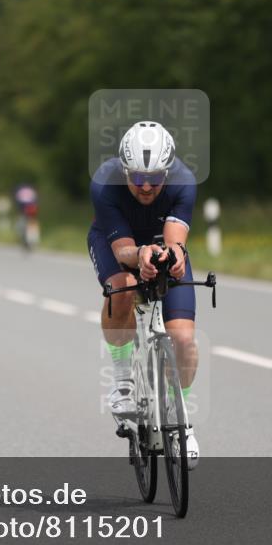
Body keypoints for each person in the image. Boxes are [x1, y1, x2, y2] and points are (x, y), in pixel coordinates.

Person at [87, 121, 200, 468]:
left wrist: (175, 256)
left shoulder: (183, 181)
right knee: (121, 288)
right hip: (115, 244)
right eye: (137, 177)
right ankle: (122, 381)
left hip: (159, 243)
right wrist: (140, 257)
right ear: (124, 171)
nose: (147, 186)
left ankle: (183, 420)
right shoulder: (105, 183)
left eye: (155, 178)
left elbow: (174, 237)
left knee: (182, 338)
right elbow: (123, 250)